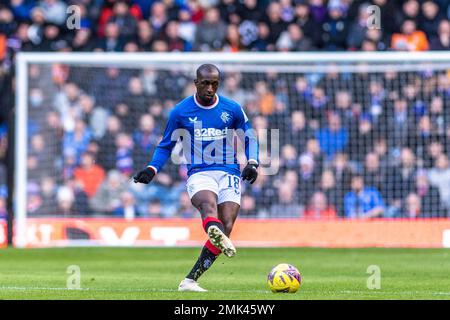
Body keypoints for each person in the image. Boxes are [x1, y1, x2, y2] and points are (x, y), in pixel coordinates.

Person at [133, 64, 259, 292]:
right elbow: (165, 145)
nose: (210, 88)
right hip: (199, 172)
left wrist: (252, 161)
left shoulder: (232, 108)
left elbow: (249, 136)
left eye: (215, 84)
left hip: (229, 171)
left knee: (227, 226)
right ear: (196, 83)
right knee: (208, 205)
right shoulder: (180, 112)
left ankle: (190, 280)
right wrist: (152, 168)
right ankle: (212, 227)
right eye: (205, 83)